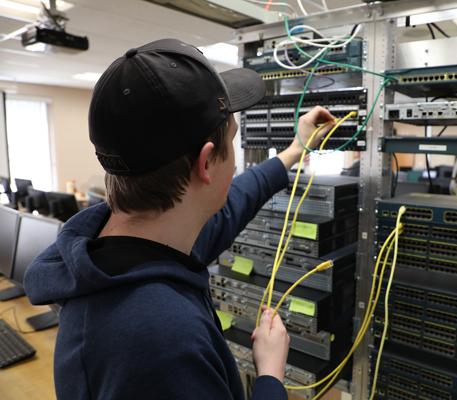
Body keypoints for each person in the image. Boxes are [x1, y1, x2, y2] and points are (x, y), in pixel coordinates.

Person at [23, 39, 336, 400]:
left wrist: (295, 150)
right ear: (206, 164)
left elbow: (232, 203)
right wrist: (269, 375)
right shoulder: (164, 340)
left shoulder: (126, 251)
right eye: (232, 141)